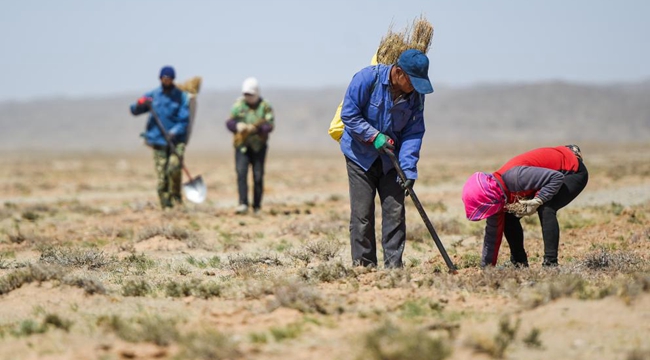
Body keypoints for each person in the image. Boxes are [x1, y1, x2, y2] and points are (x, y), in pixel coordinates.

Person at [340, 49, 434, 268]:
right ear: (399, 72)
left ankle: (394, 268)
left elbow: (413, 132)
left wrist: (409, 169)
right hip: (360, 157)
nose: (415, 87)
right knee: (362, 214)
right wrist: (374, 136)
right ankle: (364, 267)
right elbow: (349, 115)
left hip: (391, 160)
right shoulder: (366, 79)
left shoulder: (415, 97)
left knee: (395, 211)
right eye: (413, 81)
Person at [461, 145, 588, 268]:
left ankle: (550, 264)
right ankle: (519, 264)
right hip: (550, 177)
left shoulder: (516, 178)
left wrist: (539, 199)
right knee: (508, 217)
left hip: (572, 171)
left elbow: (556, 177)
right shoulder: (496, 196)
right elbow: (492, 236)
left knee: (546, 207)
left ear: (488, 200)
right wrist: (487, 268)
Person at [130, 66, 190, 209]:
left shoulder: (181, 97)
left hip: (176, 141)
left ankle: (176, 197)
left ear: (173, 79)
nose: (166, 80)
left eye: (169, 78)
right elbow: (134, 110)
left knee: (174, 168)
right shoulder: (153, 95)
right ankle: (166, 205)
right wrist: (139, 104)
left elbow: (184, 120)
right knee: (162, 175)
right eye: (164, 78)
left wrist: (174, 131)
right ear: (160, 78)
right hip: (158, 141)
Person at [226, 77, 274, 215]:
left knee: (258, 175)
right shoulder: (238, 105)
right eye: (246, 94)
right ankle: (243, 203)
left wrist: (256, 129)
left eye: (251, 95)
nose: (248, 97)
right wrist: (237, 126)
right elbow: (229, 122)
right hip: (241, 146)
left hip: (259, 146)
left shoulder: (265, 106)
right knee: (241, 173)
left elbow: (270, 125)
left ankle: (257, 206)